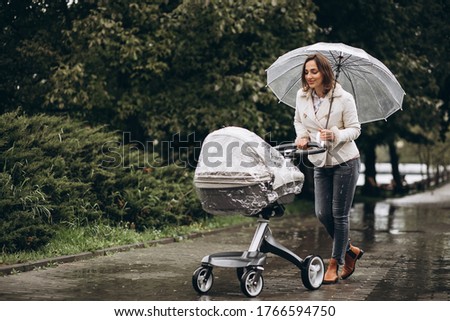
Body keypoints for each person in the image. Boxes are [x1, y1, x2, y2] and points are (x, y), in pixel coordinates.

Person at [294, 53, 364, 284]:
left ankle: (335, 263)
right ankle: (350, 250)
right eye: (306, 72)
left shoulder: (344, 98)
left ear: (325, 72)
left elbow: (355, 129)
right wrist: (302, 136)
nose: (309, 76)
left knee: (339, 214)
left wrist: (336, 134)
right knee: (322, 213)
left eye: (314, 71)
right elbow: (298, 121)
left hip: (345, 160)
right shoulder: (302, 96)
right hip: (319, 161)